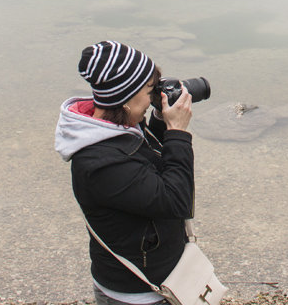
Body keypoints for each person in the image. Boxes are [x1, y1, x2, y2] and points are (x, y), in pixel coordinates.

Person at [55, 41, 195, 305]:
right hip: (136, 292)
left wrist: (160, 121)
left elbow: (148, 163)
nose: (154, 96)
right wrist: (178, 134)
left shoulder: (117, 127)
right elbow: (176, 201)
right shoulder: (101, 163)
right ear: (127, 98)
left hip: (156, 277)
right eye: (150, 90)